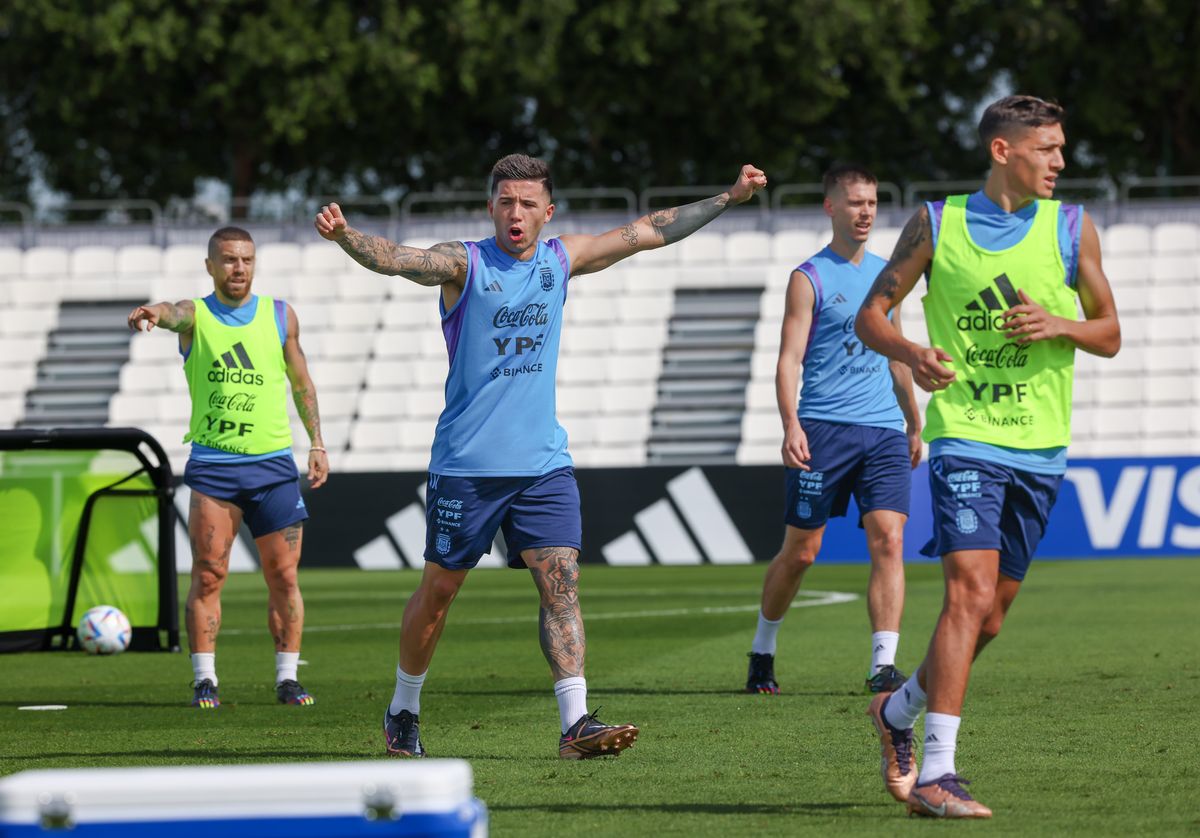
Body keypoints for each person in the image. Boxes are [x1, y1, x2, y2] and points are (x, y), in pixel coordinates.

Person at [315, 154, 767, 759]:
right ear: (491, 208)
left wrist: (728, 198)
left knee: (561, 584)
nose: (516, 213)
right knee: (439, 594)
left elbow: (650, 230)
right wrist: (346, 236)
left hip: (543, 464)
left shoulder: (562, 259)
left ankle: (574, 723)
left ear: (547, 212)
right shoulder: (464, 262)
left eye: (528, 203)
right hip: (467, 467)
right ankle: (403, 709)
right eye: (506, 201)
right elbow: (398, 260)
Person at [855, 95, 1120, 818]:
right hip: (966, 435)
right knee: (966, 595)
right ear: (1004, 151)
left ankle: (896, 714)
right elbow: (870, 315)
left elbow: (1109, 333)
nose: (1061, 162)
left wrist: (1058, 322)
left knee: (989, 619)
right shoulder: (938, 224)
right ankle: (939, 773)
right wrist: (911, 351)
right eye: (1048, 148)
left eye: (1063, 148)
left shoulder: (1071, 228)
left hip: (1040, 445)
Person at [127, 227, 329, 709]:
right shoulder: (197, 316)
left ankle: (287, 678)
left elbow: (302, 382)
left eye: (247, 260)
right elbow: (172, 313)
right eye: (229, 260)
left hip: (274, 469)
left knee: (284, 578)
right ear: (211, 266)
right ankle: (205, 680)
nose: (239, 268)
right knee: (209, 573)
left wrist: (317, 442)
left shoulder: (280, 316)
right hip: (215, 469)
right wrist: (153, 312)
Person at [744, 164, 921, 697]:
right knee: (802, 551)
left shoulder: (890, 274)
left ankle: (883, 665)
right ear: (831, 208)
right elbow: (788, 360)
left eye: (871, 202)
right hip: (823, 429)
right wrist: (790, 424)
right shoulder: (809, 277)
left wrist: (914, 421)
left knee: (889, 539)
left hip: (884, 431)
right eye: (855, 202)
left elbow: (898, 354)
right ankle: (763, 649)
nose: (865, 211)